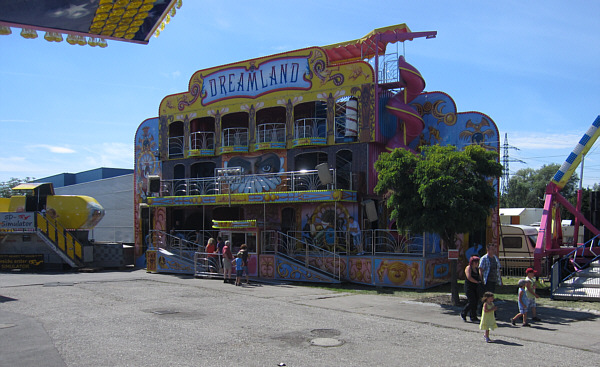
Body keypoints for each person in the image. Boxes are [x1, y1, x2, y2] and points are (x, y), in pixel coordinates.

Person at [478, 243, 502, 313]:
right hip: (487, 280)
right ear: (488, 249)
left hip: (494, 280)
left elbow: (498, 269)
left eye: (494, 249)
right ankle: (482, 310)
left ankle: (490, 310)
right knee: (486, 296)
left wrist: (500, 280)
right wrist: (481, 279)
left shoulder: (495, 258)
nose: (493, 250)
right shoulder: (484, 258)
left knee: (491, 296)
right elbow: (481, 269)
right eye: (492, 249)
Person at [461, 256, 481, 323]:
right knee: (472, 301)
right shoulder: (468, 268)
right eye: (475, 262)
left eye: (477, 262)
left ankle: (473, 316)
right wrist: (476, 282)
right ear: (472, 262)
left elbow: (480, 276)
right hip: (469, 287)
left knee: (476, 301)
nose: (477, 263)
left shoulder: (477, 269)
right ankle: (464, 313)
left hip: (476, 287)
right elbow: (469, 277)